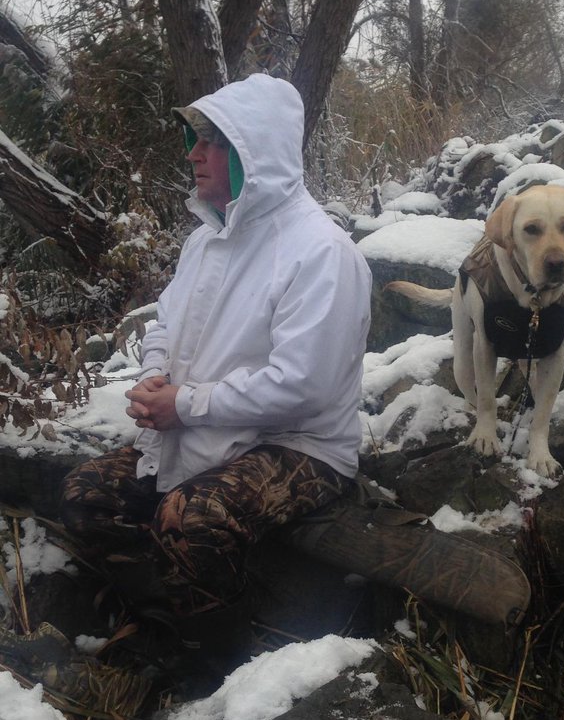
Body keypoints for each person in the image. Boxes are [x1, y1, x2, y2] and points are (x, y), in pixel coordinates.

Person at [59, 73, 372, 667]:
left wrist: (183, 405)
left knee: (194, 516)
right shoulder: (205, 241)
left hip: (301, 445)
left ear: (257, 151)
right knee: (87, 494)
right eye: (193, 139)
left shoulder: (322, 252)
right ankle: (163, 625)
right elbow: (164, 327)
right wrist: (154, 378)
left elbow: (305, 388)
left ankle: (215, 671)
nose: (194, 154)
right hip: (206, 424)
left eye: (213, 141)